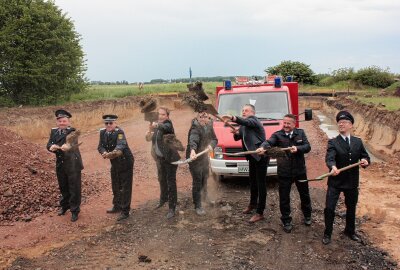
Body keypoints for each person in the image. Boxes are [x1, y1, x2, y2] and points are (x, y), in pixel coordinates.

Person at [257, 114, 312, 233]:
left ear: (294, 124)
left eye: (288, 123)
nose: (286, 125)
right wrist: (263, 147)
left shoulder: (300, 133)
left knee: (304, 194)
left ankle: (307, 215)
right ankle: (286, 220)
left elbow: (307, 147)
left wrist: (298, 149)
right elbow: (269, 142)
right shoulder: (278, 134)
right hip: (284, 172)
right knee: (284, 197)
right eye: (284, 123)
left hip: (299, 171)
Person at [322, 111, 370, 245]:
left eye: (344, 122)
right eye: (339, 122)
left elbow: (365, 156)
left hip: (351, 182)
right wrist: (332, 166)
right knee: (330, 208)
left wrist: (365, 161)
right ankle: (327, 233)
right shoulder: (333, 142)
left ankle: (350, 231)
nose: (341, 124)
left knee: (351, 208)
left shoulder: (358, 142)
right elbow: (330, 158)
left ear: (351, 125)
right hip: (335, 182)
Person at [221, 104, 268, 223]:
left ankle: (260, 212)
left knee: (261, 184)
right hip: (252, 157)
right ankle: (252, 204)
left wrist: (232, 117)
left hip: (261, 156)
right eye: (242, 110)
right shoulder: (244, 125)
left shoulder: (254, 121)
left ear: (252, 112)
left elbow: (246, 122)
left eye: (246, 110)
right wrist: (236, 133)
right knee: (252, 182)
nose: (243, 112)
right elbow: (238, 138)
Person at [46, 109, 83, 222]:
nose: (62, 123)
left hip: (72, 163)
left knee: (74, 187)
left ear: (68, 122)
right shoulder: (54, 131)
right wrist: (50, 147)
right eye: (60, 121)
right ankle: (65, 206)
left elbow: (72, 144)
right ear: (57, 122)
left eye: (64, 121)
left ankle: (75, 210)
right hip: (61, 163)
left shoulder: (72, 131)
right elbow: (49, 143)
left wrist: (67, 146)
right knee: (63, 186)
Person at [145, 107, 180, 219]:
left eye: (163, 114)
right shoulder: (156, 126)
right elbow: (150, 139)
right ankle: (163, 199)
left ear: (167, 116)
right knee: (161, 179)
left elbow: (165, 127)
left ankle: (172, 208)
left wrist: (156, 125)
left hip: (170, 159)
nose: (160, 116)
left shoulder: (168, 124)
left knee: (171, 182)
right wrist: (149, 132)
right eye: (159, 114)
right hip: (160, 159)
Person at [98, 114, 134, 221]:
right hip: (114, 163)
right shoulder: (102, 132)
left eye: (111, 123)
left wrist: (112, 153)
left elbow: (121, 145)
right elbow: (100, 146)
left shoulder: (119, 132)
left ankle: (125, 211)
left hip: (125, 162)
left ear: (115, 123)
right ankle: (117, 206)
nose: (108, 125)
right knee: (115, 185)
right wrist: (104, 152)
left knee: (125, 187)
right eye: (106, 123)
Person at [186, 111, 218, 215]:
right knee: (197, 181)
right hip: (194, 157)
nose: (203, 119)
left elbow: (214, 139)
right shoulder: (195, 128)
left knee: (205, 177)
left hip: (204, 157)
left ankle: (205, 198)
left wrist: (211, 146)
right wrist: (193, 150)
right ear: (197, 117)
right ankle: (198, 205)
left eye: (205, 116)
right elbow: (193, 140)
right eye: (201, 117)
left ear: (208, 117)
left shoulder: (209, 125)